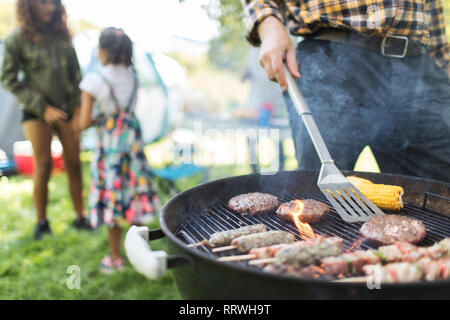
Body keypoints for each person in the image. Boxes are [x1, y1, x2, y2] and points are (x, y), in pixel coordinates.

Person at [241, 0, 450, 182]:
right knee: (321, 196)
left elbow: (434, 16)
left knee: (438, 195)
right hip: (328, 62)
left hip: (417, 68)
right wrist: (268, 23)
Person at [1, 0, 91, 240]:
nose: (50, 8)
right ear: (29, 6)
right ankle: (42, 223)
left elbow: (76, 79)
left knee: (73, 161)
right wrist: (42, 108)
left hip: (66, 110)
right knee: (43, 165)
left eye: (53, 3)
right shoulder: (17, 39)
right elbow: (8, 79)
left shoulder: (63, 37)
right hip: (36, 112)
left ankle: (81, 217)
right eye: (43, 3)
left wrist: (76, 112)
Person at [78, 27, 160, 273]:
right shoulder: (134, 77)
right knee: (134, 196)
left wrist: (97, 117)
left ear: (101, 51)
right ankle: (139, 252)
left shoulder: (94, 80)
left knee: (112, 199)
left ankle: (115, 258)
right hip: (132, 147)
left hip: (110, 151)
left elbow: (82, 123)